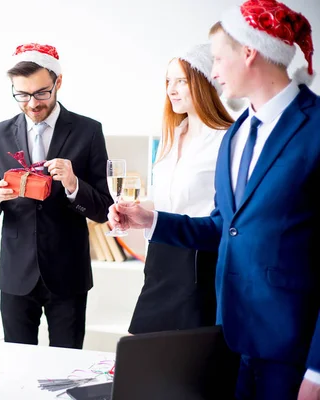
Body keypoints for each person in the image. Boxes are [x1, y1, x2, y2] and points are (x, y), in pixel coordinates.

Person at [108, 1, 320, 398]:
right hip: (229, 336)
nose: (215, 70)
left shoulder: (314, 128)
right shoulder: (238, 135)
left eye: (219, 59)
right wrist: (149, 220)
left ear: (249, 52)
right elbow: (224, 228)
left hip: (291, 349)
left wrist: (318, 370)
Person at [0, 43, 113, 349]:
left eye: (41, 93)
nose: (32, 104)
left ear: (59, 83)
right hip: (16, 274)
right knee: (16, 367)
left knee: (66, 369)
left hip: (68, 274)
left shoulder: (89, 131)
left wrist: (73, 184)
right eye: (22, 95)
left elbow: (105, 209)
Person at [128, 44, 236, 334]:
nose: (171, 90)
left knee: (187, 362)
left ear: (204, 83)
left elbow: (227, 218)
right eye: (168, 81)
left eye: (181, 81)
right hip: (160, 257)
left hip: (200, 262)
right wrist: (134, 214)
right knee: (144, 352)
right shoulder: (171, 135)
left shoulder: (228, 140)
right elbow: (166, 201)